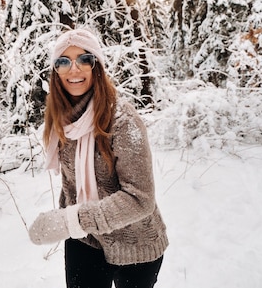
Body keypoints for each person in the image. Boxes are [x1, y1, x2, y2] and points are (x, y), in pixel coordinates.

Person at [28, 28, 168, 288]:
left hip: (135, 244)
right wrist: (64, 216)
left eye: (84, 59)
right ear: (55, 72)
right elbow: (71, 186)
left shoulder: (124, 122)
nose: (74, 69)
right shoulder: (62, 121)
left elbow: (140, 200)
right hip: (85, 240)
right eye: (63, 61)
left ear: (97, 67)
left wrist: (69, 221)